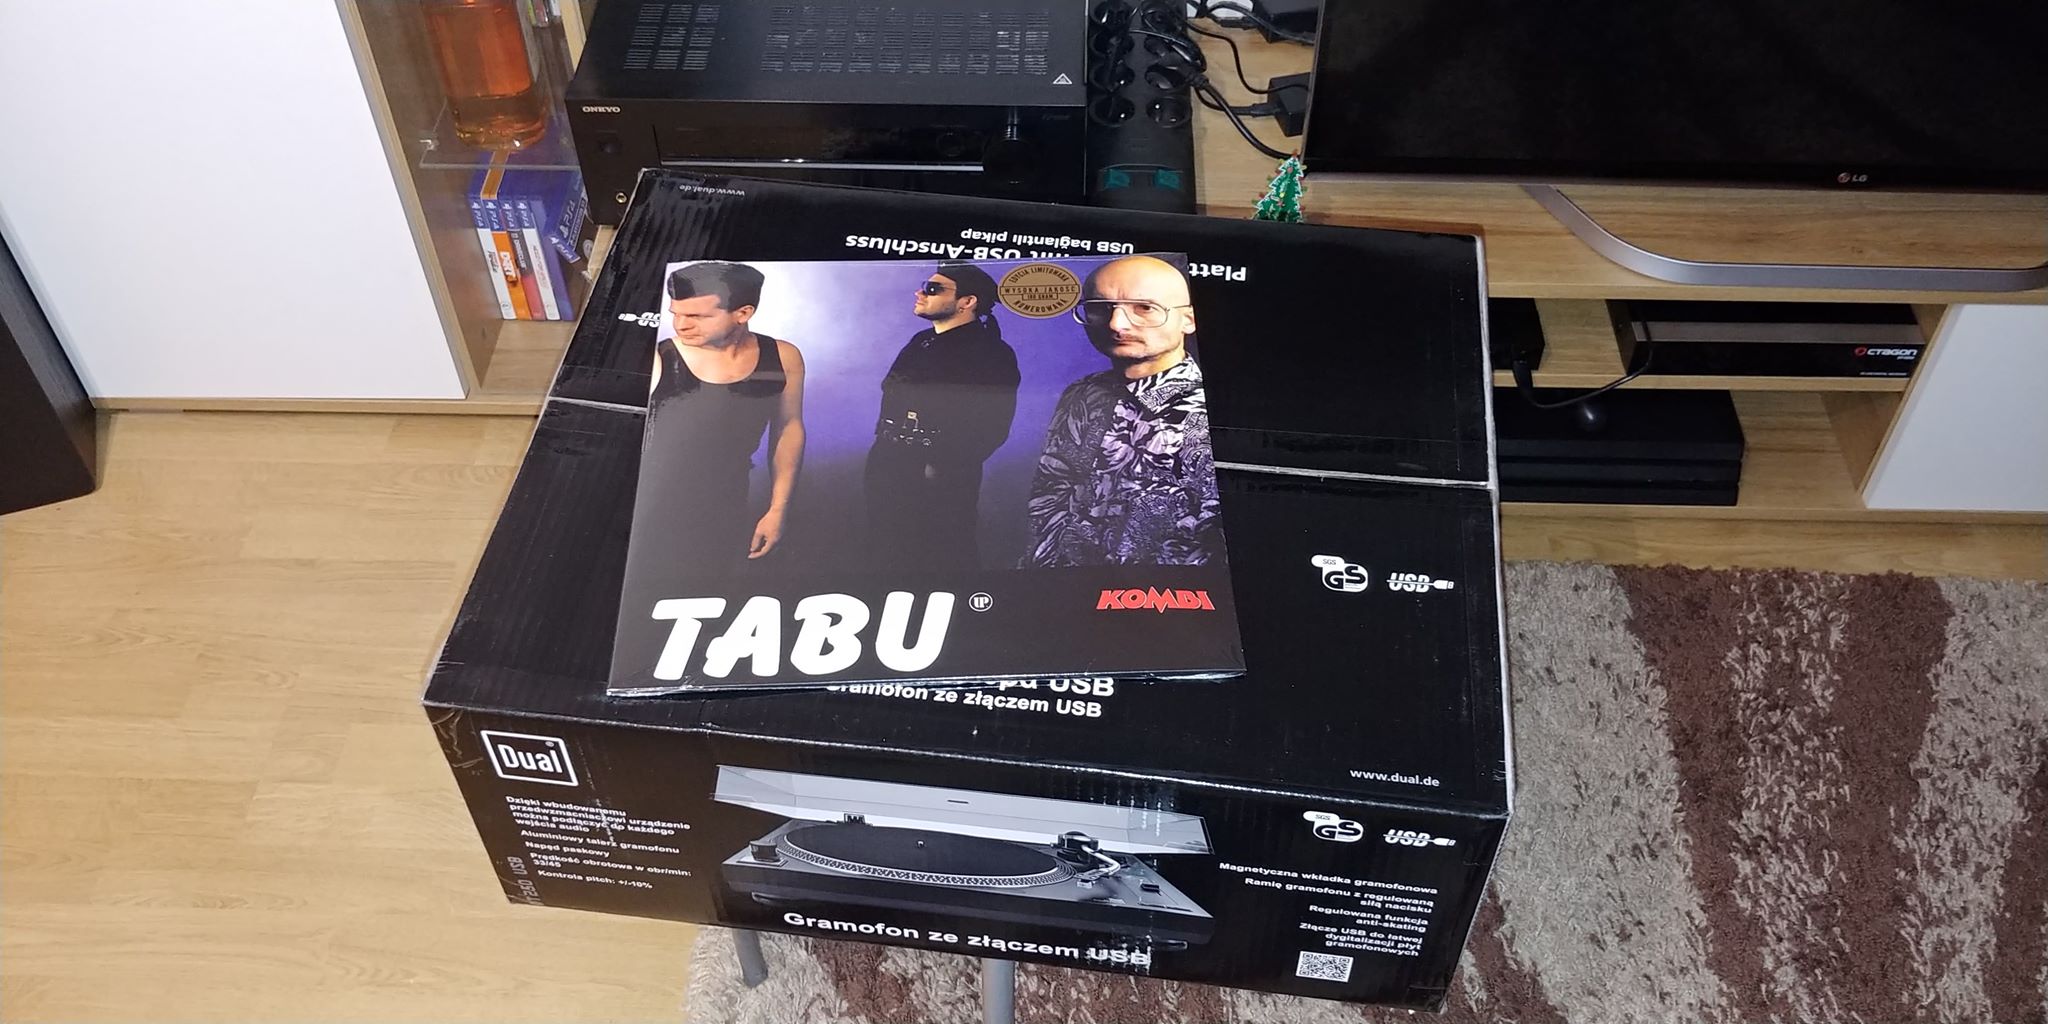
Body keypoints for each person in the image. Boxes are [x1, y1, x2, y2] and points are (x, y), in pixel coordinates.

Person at [1024, 255, 1220, 566]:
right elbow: (1050, 490)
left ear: (1189, 319)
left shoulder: (1207, 410)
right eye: (1101, 308)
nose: (1116, 324)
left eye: (1144, 308)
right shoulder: (1083, 393)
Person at [643, 261, 806, 574]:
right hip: (656, 503)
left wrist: (778, 509)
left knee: (714, 585)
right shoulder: (659, 358)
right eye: (676, 313)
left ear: (743, 313)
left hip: (729, 501)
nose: (680, 325)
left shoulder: (784, 356)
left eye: (698, 316)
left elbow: (788, 429)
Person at [863, 262, 1021, 569]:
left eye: (933, 289)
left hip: (939, 472)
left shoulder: (991, 352)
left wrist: (940, 466)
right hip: (889, 461)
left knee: (942, 555)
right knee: (885, 550)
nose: (920, 293)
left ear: (967, 301)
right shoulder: (921, 340)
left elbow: (993, 424)